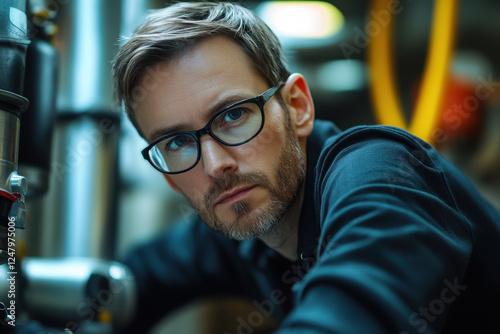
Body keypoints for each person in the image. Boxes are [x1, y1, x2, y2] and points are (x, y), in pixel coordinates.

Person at [112, 2, 500, 333]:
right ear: (169, 178)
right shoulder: (234, 216)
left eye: (233, 115)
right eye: (177, 143)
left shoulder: (380, 172)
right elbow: (132, 282)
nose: (215, 165)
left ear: (297, 107)